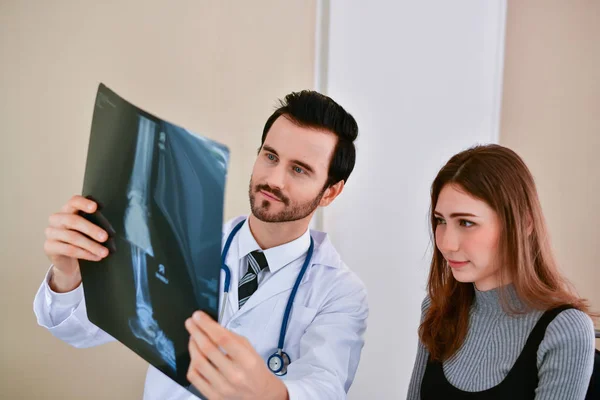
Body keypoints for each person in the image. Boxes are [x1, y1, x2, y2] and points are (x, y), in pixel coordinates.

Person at [34, 90, 369, 400]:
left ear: (330, 192)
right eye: (270, 156)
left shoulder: (339, 291)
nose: (274, 179)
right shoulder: (181, 243)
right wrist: (69, 275)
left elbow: (325, 385)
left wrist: (272, 394)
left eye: (299, 169)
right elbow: (83, 332)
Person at [407, 144, 596, 399]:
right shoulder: (437, 308)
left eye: (466, 222)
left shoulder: (564, 329)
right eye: (441, 221)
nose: (447, 244)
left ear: (524, 223)